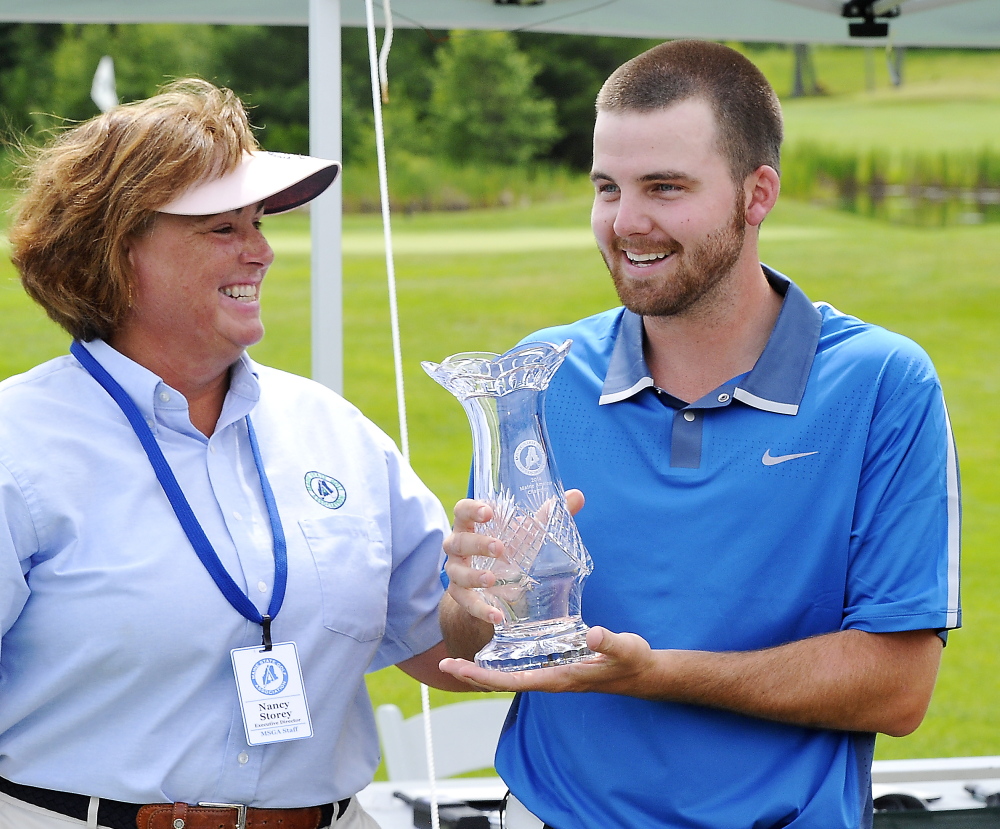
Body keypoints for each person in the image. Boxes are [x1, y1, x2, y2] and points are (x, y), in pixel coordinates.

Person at [436, 40, 962, 829]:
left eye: (665, 188)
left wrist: (655, 672)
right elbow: (475, 639)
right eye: (607, 187)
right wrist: (471, 597)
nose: (626, 221)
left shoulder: (883, 383)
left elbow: (897, 686)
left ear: (758, 195)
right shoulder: (538, 376)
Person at [0, 78, 469, 829]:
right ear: (118, 251)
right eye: (224, 229)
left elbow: (442, 648)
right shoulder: (17, 446)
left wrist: (493, 594)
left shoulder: (333, 431)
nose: (263, 251)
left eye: (258, 223)